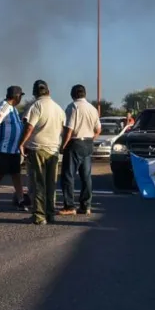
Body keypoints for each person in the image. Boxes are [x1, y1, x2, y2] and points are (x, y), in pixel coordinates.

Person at [19, 79, 67, 225]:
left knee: (38, 183)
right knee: (51, 184)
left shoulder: (36, 106)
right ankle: (50, 214)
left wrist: (21, 143)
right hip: (53, 150)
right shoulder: (58, 108)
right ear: (48, 91)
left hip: (38, 148)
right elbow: (64, 129)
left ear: (34, 93)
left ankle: (39, 216)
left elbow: (29, 127)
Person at [59, 84, 101, 216]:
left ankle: (70, 206)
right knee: (86, 176)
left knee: (68, 175)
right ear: (85, 94)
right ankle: (86, 205)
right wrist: (90, 139)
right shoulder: (92, 108)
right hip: (88, 143)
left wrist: (63, 145)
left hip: (75, 143)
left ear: (72, 94)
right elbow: (98, 129)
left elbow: (69, 129)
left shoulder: (73, 107)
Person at [0, 85, 27, 211]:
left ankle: (20, 201)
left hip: (13, 149)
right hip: (1, 149)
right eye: (20, 96)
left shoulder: (13, 109)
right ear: (17, 97)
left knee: (16, 175)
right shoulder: (4, 107)